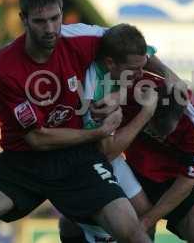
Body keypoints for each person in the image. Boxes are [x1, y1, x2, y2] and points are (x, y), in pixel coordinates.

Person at [0, 0, 179, 243]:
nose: (50, 29)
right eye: (40, 21)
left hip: (78, 160)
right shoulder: (4, 69)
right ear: (23, 19)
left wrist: (171, 77)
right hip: (25, 160)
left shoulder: (79, 37)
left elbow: (132, 47)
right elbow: (37, 138)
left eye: (55, 18)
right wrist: (97, 133)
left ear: (62, 12)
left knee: (132, 231)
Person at [59, 23, 158, 243]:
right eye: (135, 70)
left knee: (145, 215)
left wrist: (123, 91)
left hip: (102, 153)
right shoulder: (94, 91)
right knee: (91, 221)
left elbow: (148, 54)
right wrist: (146, 112)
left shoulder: (127, 54)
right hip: (86, 157)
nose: (142, 74)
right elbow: (106, 152)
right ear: (110, 63)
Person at [123, 79, 194, 243]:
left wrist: (146, 221)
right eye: (154, 131)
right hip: (135, 170)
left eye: (168, 133)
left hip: (177, 177)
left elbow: (187, 181)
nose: (162, 138)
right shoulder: (129, 95)